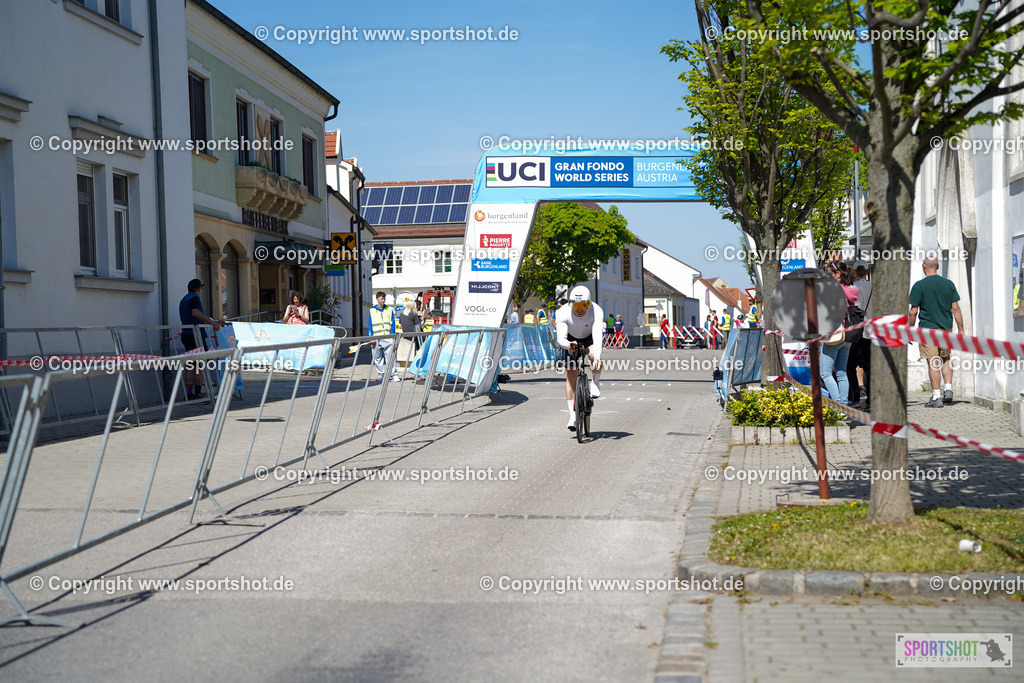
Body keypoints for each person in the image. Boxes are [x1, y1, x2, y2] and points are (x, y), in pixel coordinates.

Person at [909, 256, 964, 407]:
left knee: (933, 360)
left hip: (928, 329)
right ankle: (948, 389)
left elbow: (913, 311)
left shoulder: (919, 286)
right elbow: (956, 308)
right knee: (946, 358)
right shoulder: (948, 284)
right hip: (946, 328)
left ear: (923, 266)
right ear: (938, 266)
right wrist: (961, 329)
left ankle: (936, 396)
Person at [556, 286, 604, 432]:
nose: (580, 309)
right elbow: (560, 339)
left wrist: (597, 357)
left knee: (595, 358)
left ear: (589, 304)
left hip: (589, 337)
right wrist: (568, 345)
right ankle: (572, 416)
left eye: (583, 305)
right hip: (570, 339)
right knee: (571, 373)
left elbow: (597, 336)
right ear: (571, 304)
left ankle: (595, 383)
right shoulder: (562, 312)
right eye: (576, 305)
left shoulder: (597, 310)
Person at [178, 279, 226, 401]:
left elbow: (195, 315)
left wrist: (214, 321)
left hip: (187, 335)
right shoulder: (195, 299)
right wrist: (211, 322)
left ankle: (189, 394)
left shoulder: (184, 299)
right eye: (201, 288)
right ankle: (198, 395)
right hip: (196, 336)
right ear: (199, 289)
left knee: (191, 365)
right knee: (200, 365)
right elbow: (195, 313)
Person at [820, 262, 858, 405]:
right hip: (847, 334)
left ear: (838, 275)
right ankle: (844, 406)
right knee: (841, 372)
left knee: (825, 373)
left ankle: (838, 405)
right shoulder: (851, 290)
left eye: (830, 274)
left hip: (834, 333)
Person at [848, 261, 873, 408]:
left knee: (850, 366)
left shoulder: (853, 288)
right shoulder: (873, 287)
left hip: (856, 332)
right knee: (869, 368)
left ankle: (855, 398)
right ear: (867, 271)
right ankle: (870, 401)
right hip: (871, 332)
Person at [369, 291, 400, 382]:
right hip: (376, 337)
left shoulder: (389, 309)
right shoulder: (372, 310)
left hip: (388, 337)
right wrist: (371, 337)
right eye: (382, 298)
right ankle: (381, 375)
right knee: (377, 358)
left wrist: (392, 335)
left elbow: (392, 323)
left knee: (390, 357)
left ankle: (394, 374)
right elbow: (370, 324)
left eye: (384, 298)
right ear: (377, 299)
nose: (383, 300)